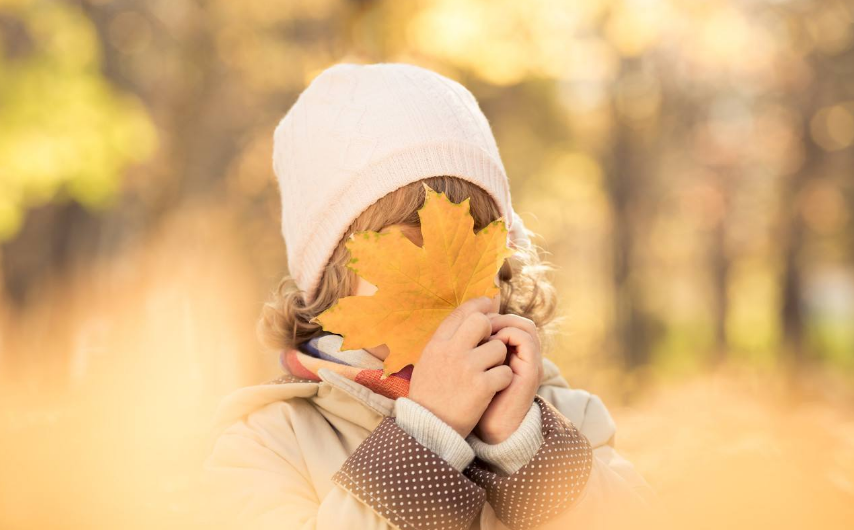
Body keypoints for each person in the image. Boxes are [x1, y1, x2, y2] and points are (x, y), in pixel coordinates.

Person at [200, 62, 657, 530]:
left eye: (470, 245)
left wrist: (525, 450)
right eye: (409, 244)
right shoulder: (269, 442)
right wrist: (426, 441)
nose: (447, 279)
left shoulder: (560, 414)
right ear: (333, 277)